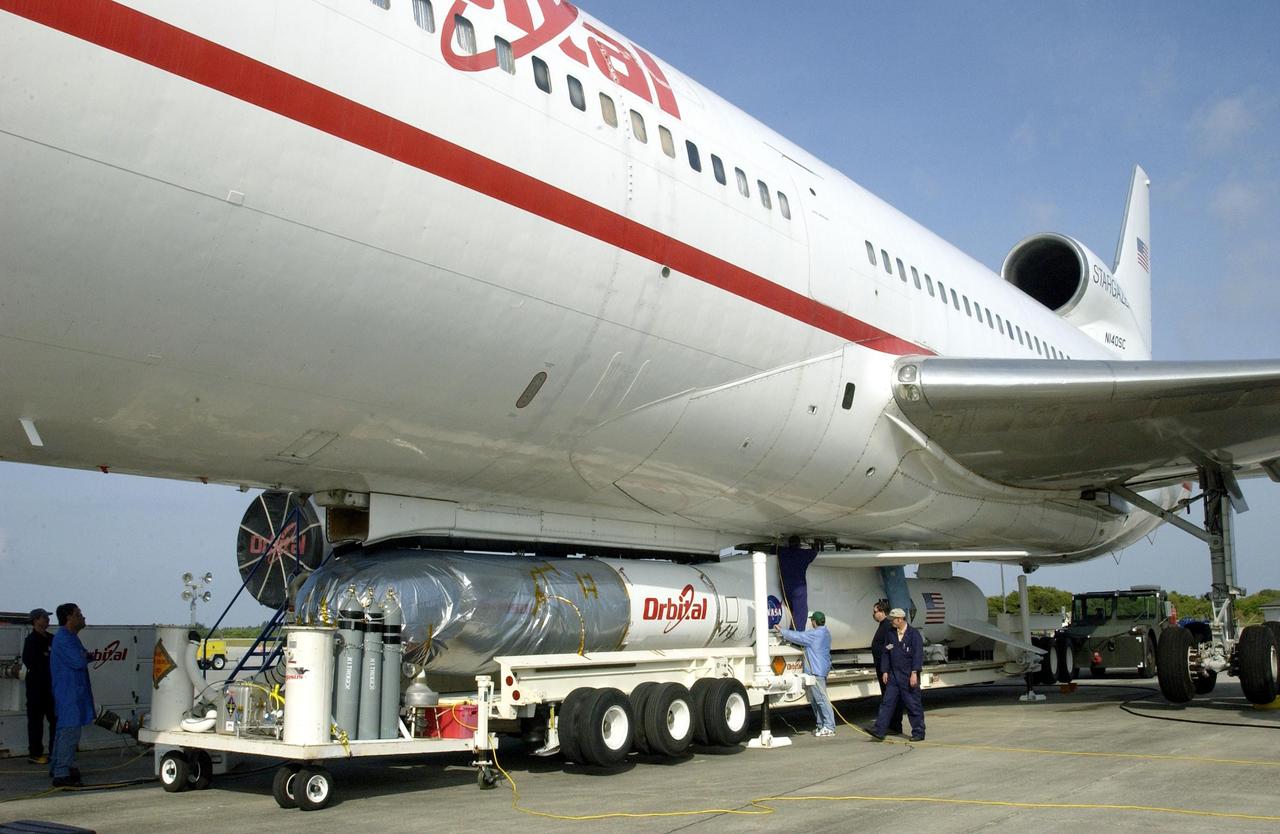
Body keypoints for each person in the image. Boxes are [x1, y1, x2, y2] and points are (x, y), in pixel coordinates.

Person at [50, 603, 95, 788]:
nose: (83, 617)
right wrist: (85, 656)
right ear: (69, 618)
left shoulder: (70, 638)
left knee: (64, 731)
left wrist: (85, 656)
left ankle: (57, 766)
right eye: (79, 614)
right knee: (69, 732)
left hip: (73, 692)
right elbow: (78, 660)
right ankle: (61, 773)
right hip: (69, 693)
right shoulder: (64, 639)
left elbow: (81, 657)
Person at [870, 607, 925, 742]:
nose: (891, 622)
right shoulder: (891, 634)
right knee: (887, 703)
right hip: (894, 676)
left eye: (893, 619)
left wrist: (914, 673)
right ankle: (879, 730)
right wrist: (885, 671)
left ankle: (918, 732)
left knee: (913, 704)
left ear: (900, 619)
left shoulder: (913, 634)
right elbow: (886, 652)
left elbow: (918, 655)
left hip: (908, 676)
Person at [777, 610, 835, 737]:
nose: (811, 622)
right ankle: (821, 725)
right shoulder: (825, 632)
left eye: (811, 620)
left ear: (814, 621)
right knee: (816, 700)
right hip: (820, 669)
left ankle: (829, 726)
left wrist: (782, 630)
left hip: (816, 671)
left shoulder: (815, 634)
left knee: (821, 700)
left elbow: (799, 637)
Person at [22, 608, 56, 765]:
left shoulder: (52, 638)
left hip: (51, 688)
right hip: (36, 688)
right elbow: (30, 661)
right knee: (36, 722)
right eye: (44, 617)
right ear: (35, 620)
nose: (47, 620)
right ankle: (35, 753)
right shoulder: (31, 640)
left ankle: (56, 751)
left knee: (55, 720)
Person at [870, 600, 903, 736]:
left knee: (890, 697)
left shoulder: (888, 626)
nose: (873, 614)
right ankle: (889, 724)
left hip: (887, 667)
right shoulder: (882, 626)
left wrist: (885, 650)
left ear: (882, 612)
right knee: (887, 696)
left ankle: (893, 725)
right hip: (881, 666)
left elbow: (893, 644)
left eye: (875, 611)